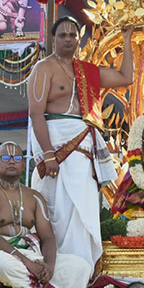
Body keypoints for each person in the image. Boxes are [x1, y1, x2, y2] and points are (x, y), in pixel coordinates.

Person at [27, 16, 134, 269]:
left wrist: (127, 42)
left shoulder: (87, 71)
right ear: (53, 39)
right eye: (62, 35)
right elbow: (35, 114)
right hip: (56, 144)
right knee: (57, 211)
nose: (68, 39)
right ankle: (57, 266)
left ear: (79, 39)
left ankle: (83, 268)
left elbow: (125, 77)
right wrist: (49, 154)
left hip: (84, 147)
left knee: (83, 208)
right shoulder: (43, 69)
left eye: (73, 35)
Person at [0, 141, 91, 288]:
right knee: (3, 264)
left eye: (17, 157)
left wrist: (49, 265)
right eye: (6, 157)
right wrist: (28, 264)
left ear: (23, 164)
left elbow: (48, 237)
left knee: (80, 266)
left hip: (29, 256)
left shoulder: (35, 197)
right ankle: (26, 283)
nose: (12, 161)